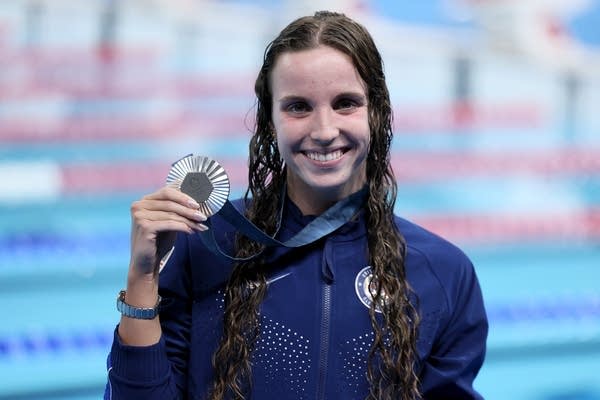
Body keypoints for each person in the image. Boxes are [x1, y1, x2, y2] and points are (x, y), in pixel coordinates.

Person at [105, 10, 488, 400]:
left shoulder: (443, 272)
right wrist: (142, 277)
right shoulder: (203, 243)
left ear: (376, 112)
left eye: (345, 103)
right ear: (270, 122)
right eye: (298, 107)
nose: (324, 131)